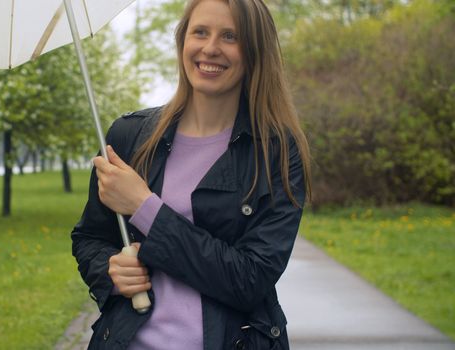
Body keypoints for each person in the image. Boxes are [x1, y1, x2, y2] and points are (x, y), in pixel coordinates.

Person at [71, 0, 311, 348]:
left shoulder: (276, 152)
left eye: (230, 36)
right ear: (183, 40)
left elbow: (249, 280)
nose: (210, 48)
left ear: (255, 50)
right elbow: (90, 237)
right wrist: (110, 272)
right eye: (200, 32)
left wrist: (144, 206)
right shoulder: (128, 136)